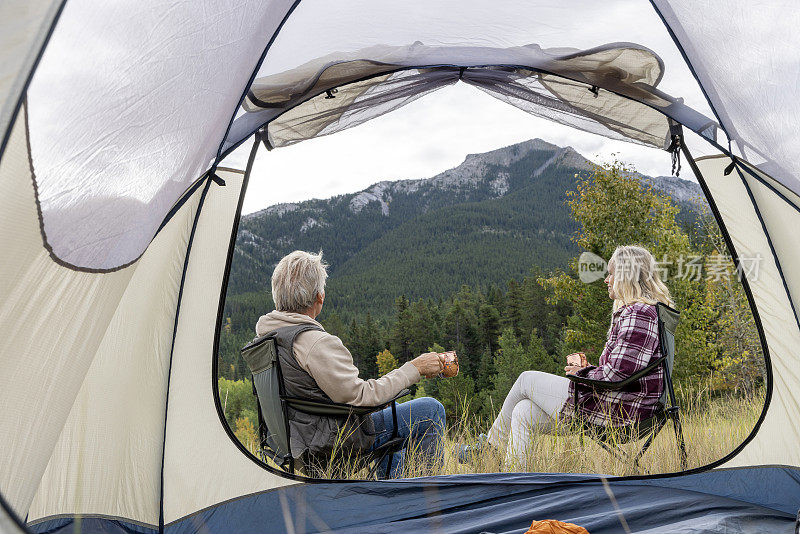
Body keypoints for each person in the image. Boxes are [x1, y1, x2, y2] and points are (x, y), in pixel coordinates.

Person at [461, 245, 673, 465]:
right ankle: (514, 478)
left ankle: (491, 448)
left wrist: (584, 372)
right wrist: (590, 371)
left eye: (611, 273)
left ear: (626, 276)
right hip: (624, 406)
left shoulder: (637, 313)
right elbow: (624, 371)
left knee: (526, 380)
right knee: (523, 412)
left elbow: (616, 376)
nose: (606, 280)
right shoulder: (646, 311)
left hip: (622, 413)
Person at [255, 250, 445, 478]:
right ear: (319, 296)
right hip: (331, 445)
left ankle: (393, 493)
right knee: (431, 410)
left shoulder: (267, 339)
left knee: (391, 430)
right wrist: (415, 368)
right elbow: (362, 397)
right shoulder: (312, 343)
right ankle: (424, 502)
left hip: (294, 442)